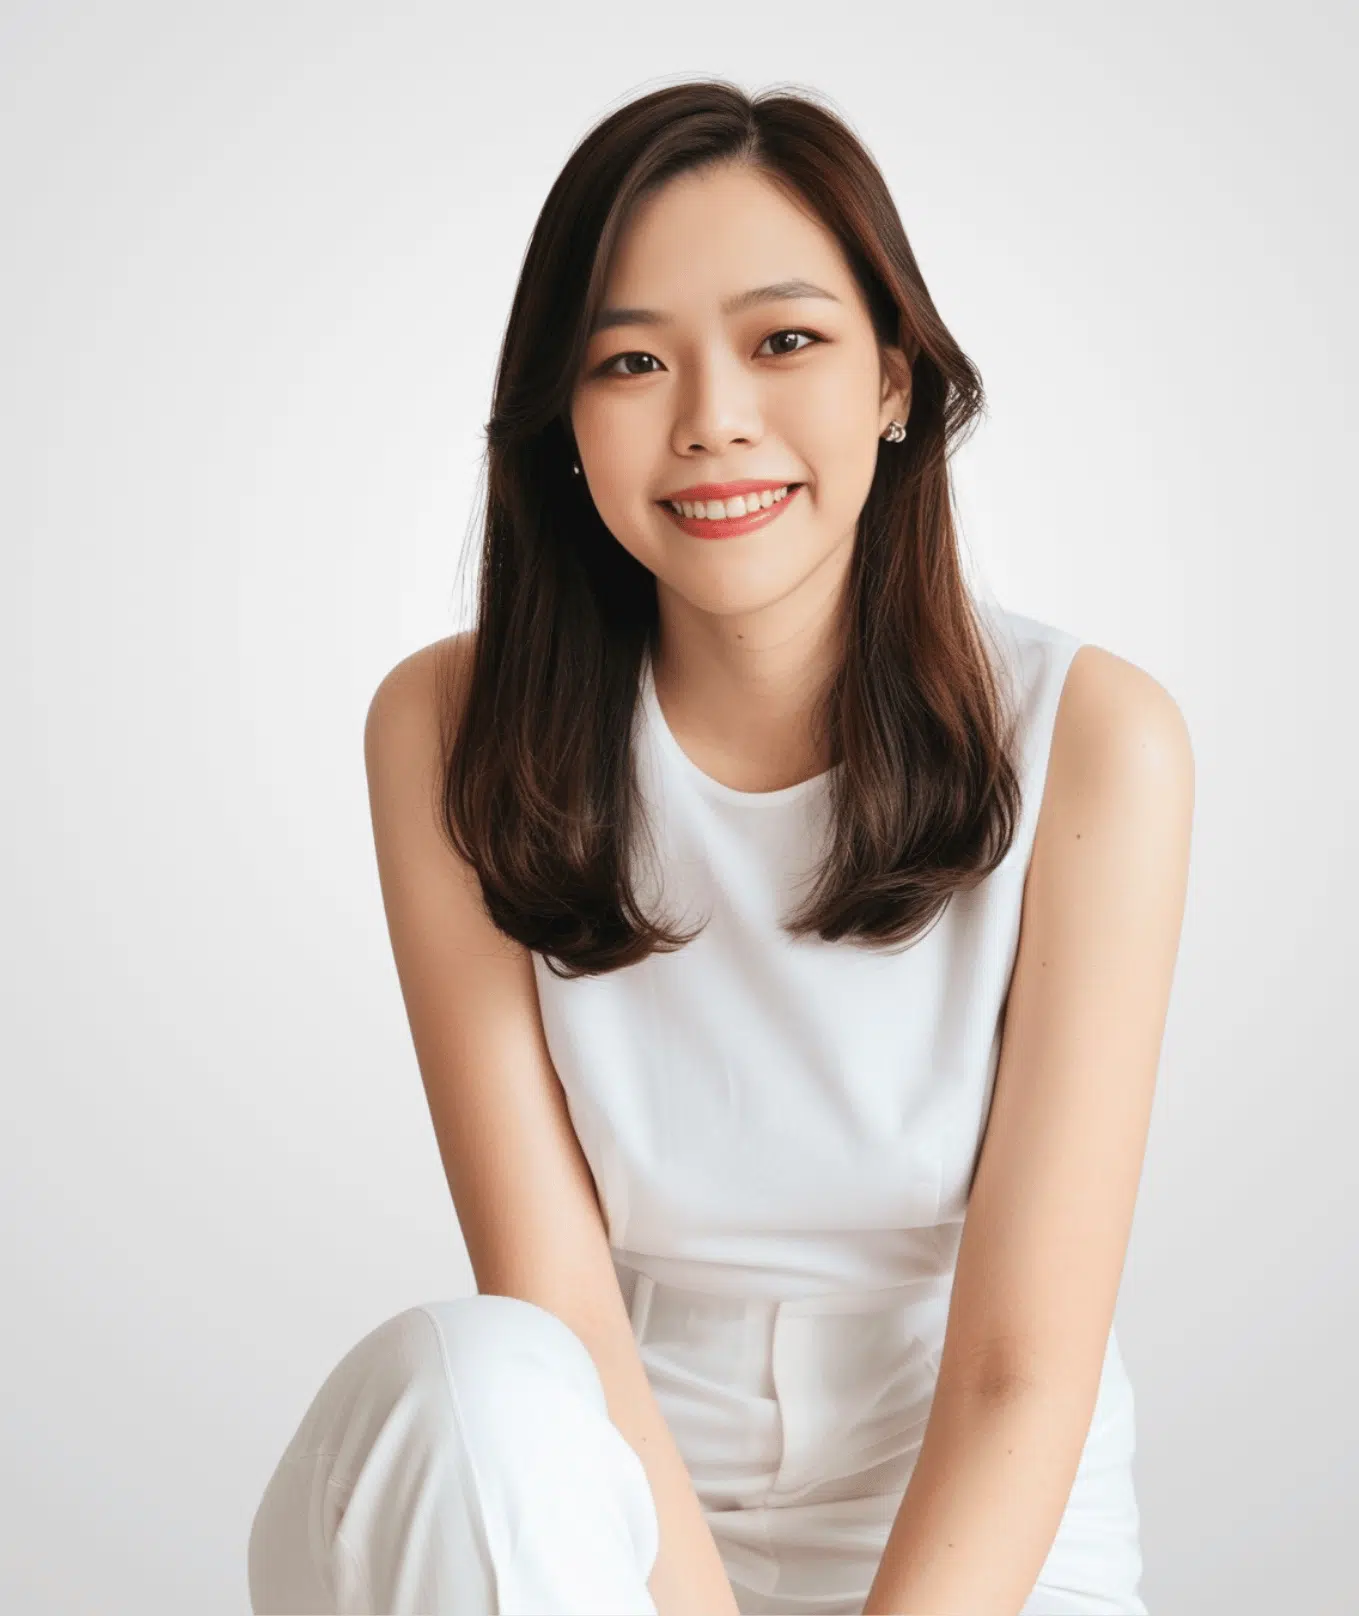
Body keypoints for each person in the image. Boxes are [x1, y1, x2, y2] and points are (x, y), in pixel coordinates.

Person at [246, 80, 1193, 1615]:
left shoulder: (1093, 739)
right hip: (581, 1500)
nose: (709, 418)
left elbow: (1026, 1368)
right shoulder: (446, 726)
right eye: (631, 360)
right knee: (475, 1379)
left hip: (972, 1510)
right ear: (564, 417)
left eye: (784, 340)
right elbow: (551, 1290)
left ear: (894, 380)